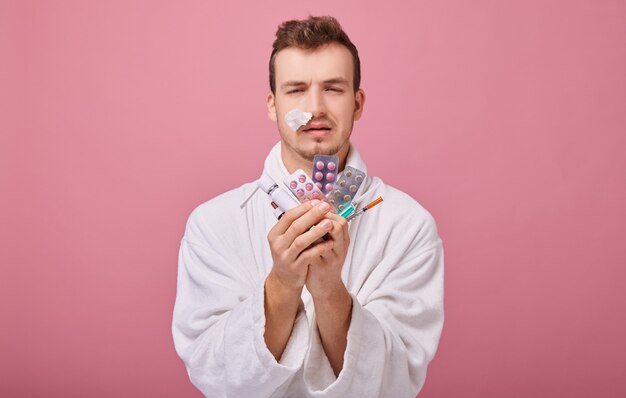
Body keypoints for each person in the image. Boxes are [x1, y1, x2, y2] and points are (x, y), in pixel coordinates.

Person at [172, 15, 444, 398]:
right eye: (296, 90)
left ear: (358, 102)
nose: (315, 108)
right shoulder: (213, 224)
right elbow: (212, 375)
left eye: (333, 88)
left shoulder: (409, 225)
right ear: (272, 105)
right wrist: (283, 283)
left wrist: (330, 290)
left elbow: (393, 384)